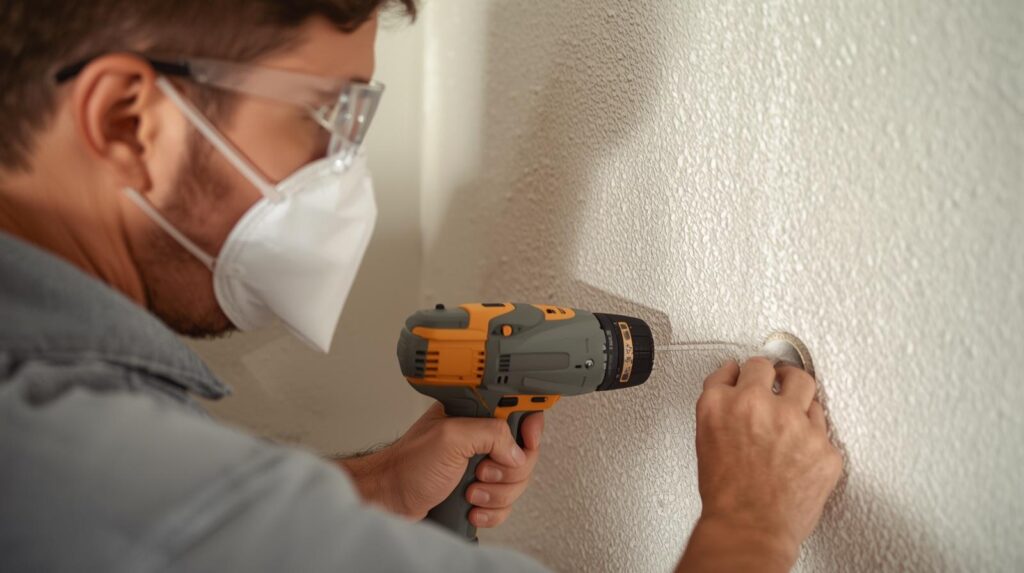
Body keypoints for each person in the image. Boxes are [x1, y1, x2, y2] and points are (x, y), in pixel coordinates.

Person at [0, 1, 843, 571]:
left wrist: (372, 487)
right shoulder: (101, 472)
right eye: (323, 115)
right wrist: (749, 520)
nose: (342, 174)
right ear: (125, 120)